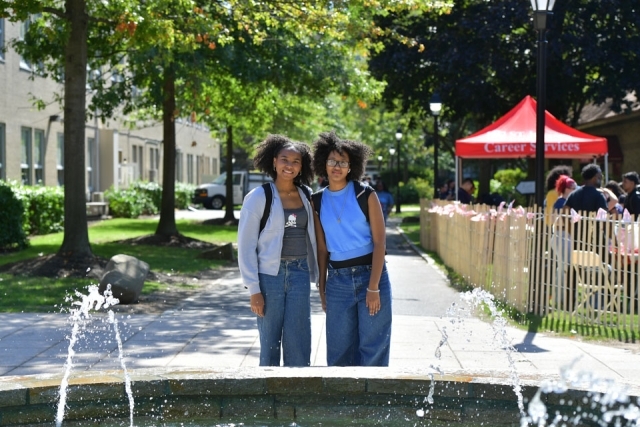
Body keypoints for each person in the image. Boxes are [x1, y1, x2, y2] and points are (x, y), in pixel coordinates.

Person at [311, 131, 392, 367]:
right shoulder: (316, 201)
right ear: (323, 164)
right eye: (332, 161)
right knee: (338, 352)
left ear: (351, 166)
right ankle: (341, 403)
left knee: (373, 347)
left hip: (371, 275)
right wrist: (323, 289)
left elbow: (380, 244)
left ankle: (371, 402)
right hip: (338, 281)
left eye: (343, 162)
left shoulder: (365, 194)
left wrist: (374, 287)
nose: (337, 166)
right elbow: (322, 250)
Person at [237, 134, 319, 367]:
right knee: (270, 339)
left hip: (300, 272)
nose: (289, 166)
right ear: (274, 161)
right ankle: (268, 394)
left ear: (302, 166)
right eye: (285, 159)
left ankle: (297, 392)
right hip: (269, 276)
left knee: (299, 338)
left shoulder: (307, 195)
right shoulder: (258, 197)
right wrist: (254, 289)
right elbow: (245, 245)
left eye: (296, 161)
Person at [549, 175, 577, 309]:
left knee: (562, 268)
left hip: (563, 236)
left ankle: (560, 299)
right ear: (565, 188)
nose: (573, 188)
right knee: (564, 269)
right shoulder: (562, 202)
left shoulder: (564, 201)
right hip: (562, 235)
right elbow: (561, 221)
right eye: (571, 186)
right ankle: (559, 299)